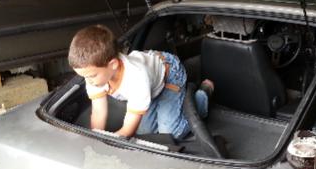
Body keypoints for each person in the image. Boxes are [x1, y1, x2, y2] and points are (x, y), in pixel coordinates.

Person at [68, 24, 213, 140]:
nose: (88, 81)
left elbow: (127, 131)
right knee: (145, 133)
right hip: (151, 84)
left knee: (170, 134)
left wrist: (108, 145)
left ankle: (201, 97)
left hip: (169, 73)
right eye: (84, 76)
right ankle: (167, 102)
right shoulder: (94, 76)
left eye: (91, 76)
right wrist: (95, 138)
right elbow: (98, 112)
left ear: (113, 64)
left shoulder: (136, 78)